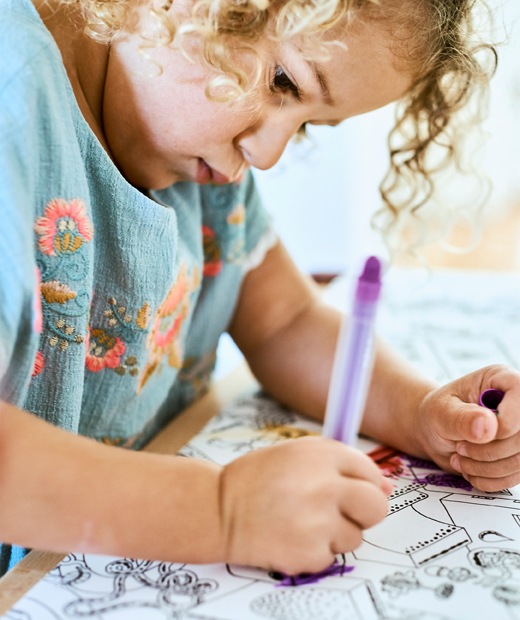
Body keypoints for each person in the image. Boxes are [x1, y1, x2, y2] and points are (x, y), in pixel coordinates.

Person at [0, 0, 519, 577]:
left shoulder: (190, 146)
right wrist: (224, 513)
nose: (267, 155)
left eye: (306, 128)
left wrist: (418, 411)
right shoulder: (12, 97)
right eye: (283, 81)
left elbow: (284, 322)